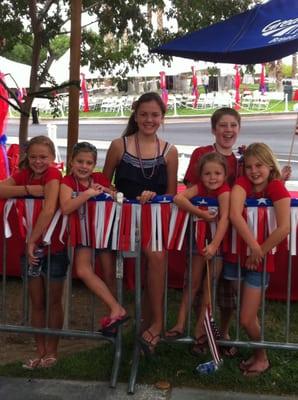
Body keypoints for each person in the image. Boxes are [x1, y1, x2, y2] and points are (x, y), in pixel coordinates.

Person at [103, 92, 178, 353]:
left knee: (155, 260)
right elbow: (104, 182)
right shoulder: (118, 146)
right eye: (144, 114)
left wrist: (156, 197)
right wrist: (112, 193)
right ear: (135, 115)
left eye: (155, 115)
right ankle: (117, 321)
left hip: (154, 220)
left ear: (162, 117)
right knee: (110, 268)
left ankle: (153, 324)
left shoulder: (170, 152)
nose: (149, 119)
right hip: (121, 219)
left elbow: (171, 194)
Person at [0, 135, 68, 369]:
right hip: (30, 250)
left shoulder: (53, 175)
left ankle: (52, 350)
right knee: (36, 301)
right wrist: (28, 189)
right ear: (27, 157)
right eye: (34, 157)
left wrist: (31, 241)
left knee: (53, 302)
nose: (38, 161)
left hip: (53, 249)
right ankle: (39, 350)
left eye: (43, 157)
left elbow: (49, 209)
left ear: (52, 157)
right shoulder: (25, 174)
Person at [227, 142, 290, 376]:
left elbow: (284, 227)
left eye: (259, 166)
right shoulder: (243, 182)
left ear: (269, 165)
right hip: (239, 255)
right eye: (250, 166)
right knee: (247, 313)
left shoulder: (275, 187)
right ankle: (254, 351)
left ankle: (262, 357)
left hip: (260, 261)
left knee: (245, 317)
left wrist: (259, 252)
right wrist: (254, 248)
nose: (254, 171)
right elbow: (234, 213)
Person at [184, 107, 242, 356]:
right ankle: (200, 332)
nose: (228, 130)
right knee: (200, 284)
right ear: (214, 129)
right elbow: (189, 186)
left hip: (230, 233)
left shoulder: (240, 162)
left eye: (233, 125)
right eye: (223, 125)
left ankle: (224, 332)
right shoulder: (201, 154)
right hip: (203, 230)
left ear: (238, 129)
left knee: (227, 287)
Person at [59, 142, 128, 334]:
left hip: (104, 233)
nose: (84, 166)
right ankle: (117, 309)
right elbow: (66, 207)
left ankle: (114, 320)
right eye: (80, 161)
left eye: (89, 162)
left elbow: (117, 197)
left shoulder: (99, 178)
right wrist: (88, 194)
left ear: (94, 164)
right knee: (82, 270)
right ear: (71, 162)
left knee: (109, 275)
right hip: (84, 235)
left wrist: (105, 191)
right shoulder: (67, 182)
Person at [166, 152, 230, 344]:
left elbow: (225, 218)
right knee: (191, 284)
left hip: (217, 245)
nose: (212, 178)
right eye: (207, 173)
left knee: (208, 286)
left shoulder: (225, 191)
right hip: (198, 241)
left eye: (217, 173)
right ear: (200, 176)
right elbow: (179, 198)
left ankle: (200, 327)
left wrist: (215, 245)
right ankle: (179, 324)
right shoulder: (200, 187)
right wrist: (199, 213)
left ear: (224, 175)